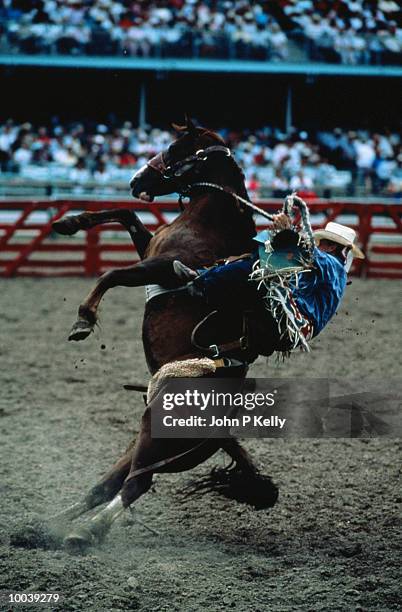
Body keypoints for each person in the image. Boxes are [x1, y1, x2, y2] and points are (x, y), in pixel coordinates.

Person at [172, 215, 365, 352]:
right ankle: (205, 281)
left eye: (322, 242)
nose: (319, 245)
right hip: (298, 320)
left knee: (255, 269)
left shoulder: (332, 265)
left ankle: (200, 284)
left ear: (331, 246)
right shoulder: (331, 270)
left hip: (296, 320)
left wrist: (289, 231)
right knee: (260, 262)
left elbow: (308, 252)